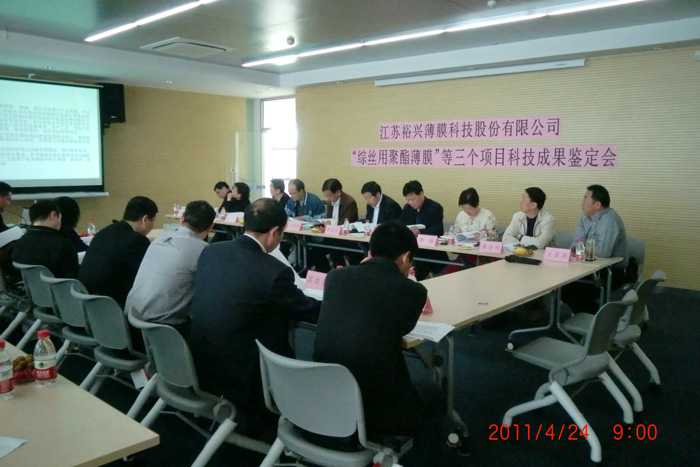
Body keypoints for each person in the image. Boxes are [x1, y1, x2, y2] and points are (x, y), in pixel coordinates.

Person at [314, 221, 447, 461]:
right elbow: (402, 328)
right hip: (378, 405)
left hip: (325, 390)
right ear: (406, 257)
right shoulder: (413, 291)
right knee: (433, 391)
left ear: (370, 251)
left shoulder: (335, 277)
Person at [189, 198, 320, 436]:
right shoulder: (273, 270)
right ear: (274, 232)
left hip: (201, 358)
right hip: (245, 371)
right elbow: (304, 309)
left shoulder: (211, 251)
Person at [125, 201, 215, 340]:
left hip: (130, 322)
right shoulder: (203, 250)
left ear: (182, 219)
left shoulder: (158, 239)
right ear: (211, 227)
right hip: (163, 332)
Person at [563, 185, 630, 313]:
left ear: (597, 205)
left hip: (610, 272)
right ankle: (584, 314)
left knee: (570, 289)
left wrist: (581, 249)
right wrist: (582, 249)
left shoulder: (609, 220)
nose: (582, 201)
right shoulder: (584, 217)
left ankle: (595, 317)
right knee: (562, 285)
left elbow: (603, 253)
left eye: (585, 198)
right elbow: (575, 245)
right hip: (586, 267)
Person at [79, 196, 158, 307]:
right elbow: (145, 278)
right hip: (112, 304)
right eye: (153, 220)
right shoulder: (137, 241)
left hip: (85, 301)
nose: (153, 226)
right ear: (145, 219)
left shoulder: (104, 232)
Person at [12, 199, 79, 278]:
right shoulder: (64, 244)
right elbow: (72, 278)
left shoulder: (19, 243)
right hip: (57, 285)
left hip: (29, 285)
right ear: (53, 215)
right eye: (60, 218)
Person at [399, 180, 446, 280]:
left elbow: (438, 231)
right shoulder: (407, 208)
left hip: (431, 252)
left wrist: (420, 233)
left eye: (413, 199)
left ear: (421, 194)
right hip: (413, 251)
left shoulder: (435, 207)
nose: (410, 203)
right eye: (407, 200)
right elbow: (401, 225)